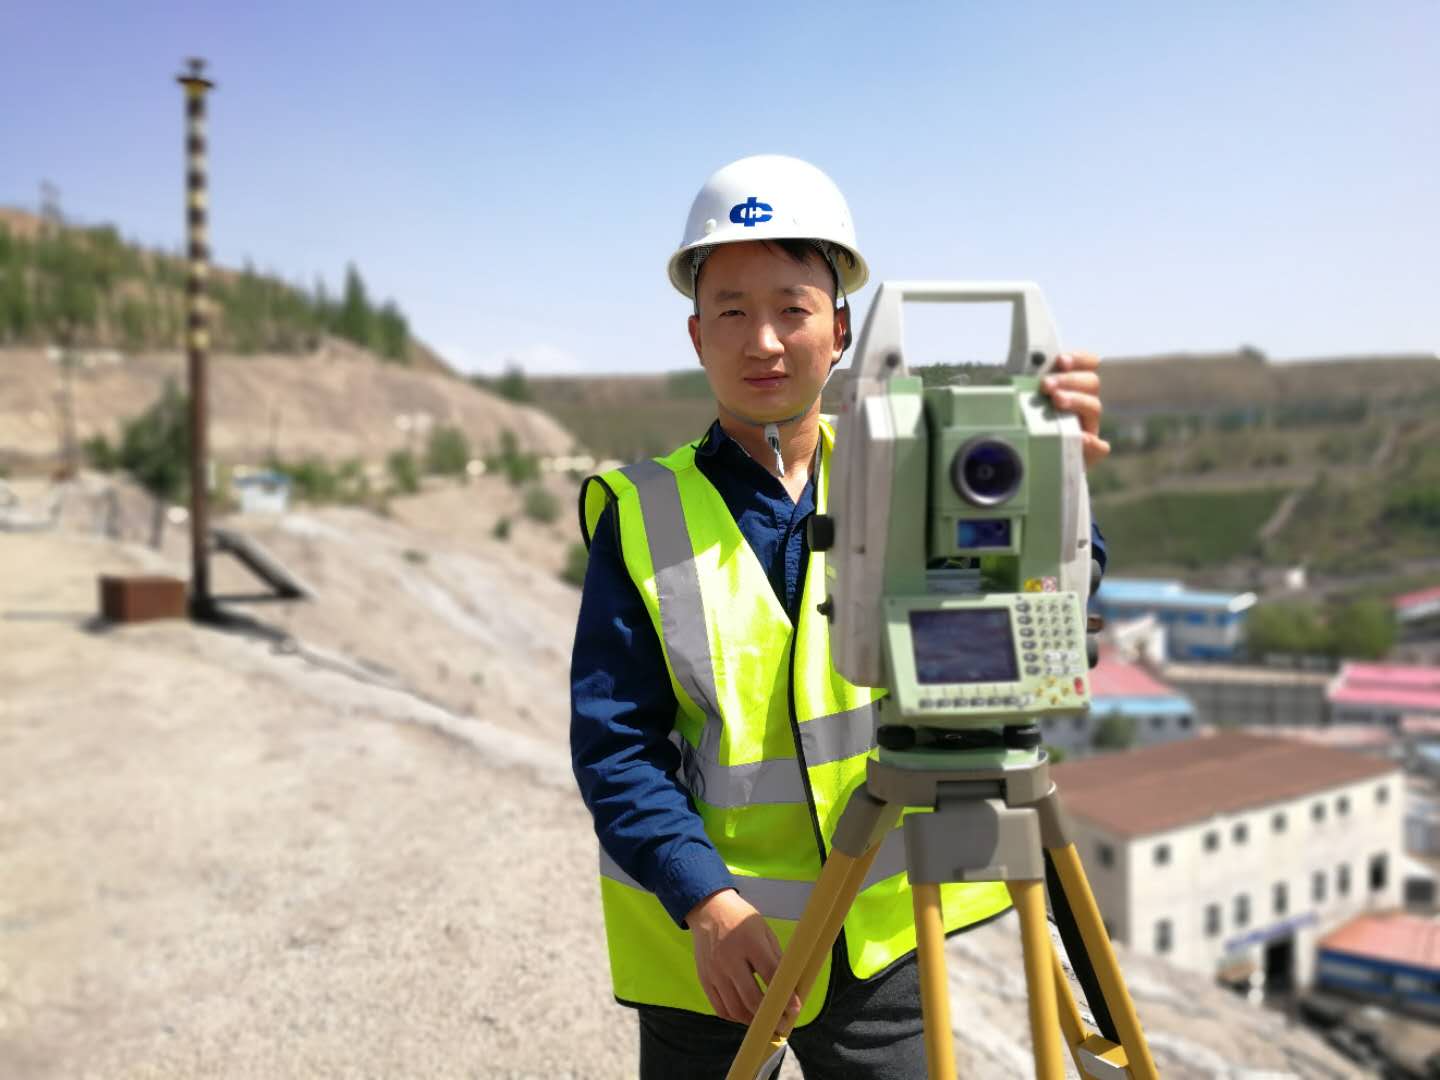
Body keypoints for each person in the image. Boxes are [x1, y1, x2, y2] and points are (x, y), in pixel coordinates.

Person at [570, 154, 1110, 1079]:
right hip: (712, 950)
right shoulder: (641, 512)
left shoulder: (919, 465)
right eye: (732, 312)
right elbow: (616, 745)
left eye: (793, 309)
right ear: (696, 335)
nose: (764, 341)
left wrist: (1055, 486)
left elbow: (1046, 605)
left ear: (843, 328)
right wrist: (705, 900)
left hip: (877, 946)